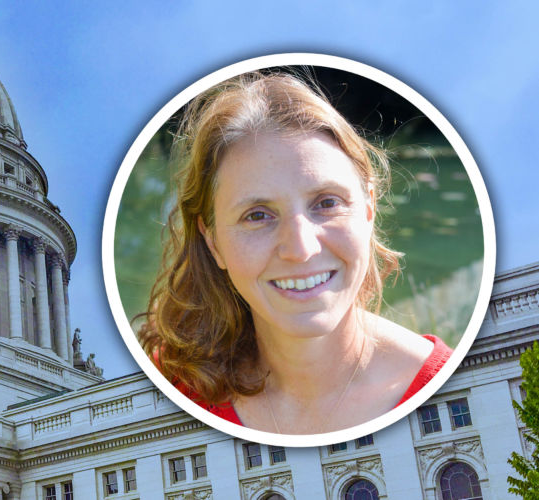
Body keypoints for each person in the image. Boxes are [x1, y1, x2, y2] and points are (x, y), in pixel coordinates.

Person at [138, 71, 451, 434]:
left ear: (369, 209)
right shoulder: (170, 382)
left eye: (326, 202)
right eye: (257, 215)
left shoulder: (446, 384)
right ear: (214, 243)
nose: (301, 249)